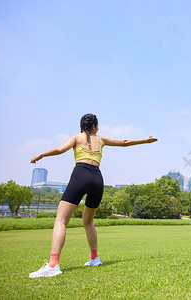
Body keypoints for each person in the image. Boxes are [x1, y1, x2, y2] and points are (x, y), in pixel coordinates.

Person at [29, 113, 157, 278]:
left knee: (61, 221)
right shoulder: (101, 139)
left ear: (82, 127)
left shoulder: (75, 137)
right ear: (94, 126)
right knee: (88, 221)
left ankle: (53, 265)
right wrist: (145, 140)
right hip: (97, 178)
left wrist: (41, 155)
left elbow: (60, 149)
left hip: (80, 175)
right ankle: (94, 258)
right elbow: (125, 142)